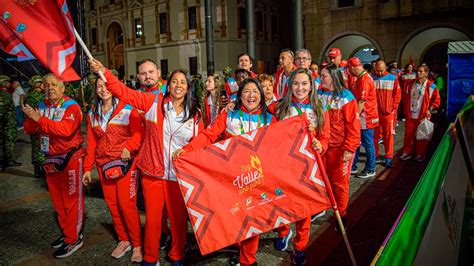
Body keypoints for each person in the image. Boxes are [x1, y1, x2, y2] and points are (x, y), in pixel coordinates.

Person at [89, 59, 203, 266]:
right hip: (153, 173)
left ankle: (176, 254)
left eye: (182, 82)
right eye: (174, 82)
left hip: (178, 175)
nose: (178, 86)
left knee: (178, 220)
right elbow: (125, 93)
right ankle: (150, 258)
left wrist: (189, 151)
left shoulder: (195, 114)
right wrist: (104, 72)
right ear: (168, 85)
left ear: (188, 87)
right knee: (152, 219)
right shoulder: (153, 103)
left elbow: (201, 142)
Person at [173, 78, 275, 266]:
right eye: (246, 92)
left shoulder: (270, 118)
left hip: (256, 177)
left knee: (253, 219)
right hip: (231, 177)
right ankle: (240, 247)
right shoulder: (228, 114)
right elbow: (209, 134)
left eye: (255, 92)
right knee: (234, 216)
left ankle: (248, 260)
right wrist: (188, 150)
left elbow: (278, 145)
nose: (251, 96)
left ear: (261, 95)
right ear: (239, 95)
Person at [22, 73, 86, 258]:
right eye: (46, 85)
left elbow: (65, 131)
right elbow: (29, 129)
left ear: (62, 87)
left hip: (71, 159)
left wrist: (38, 118)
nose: (50, 88)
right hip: (51, 159)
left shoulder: (71, 106)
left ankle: (74, 238)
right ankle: (68, 234)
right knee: (58, 202)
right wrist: (30, 117)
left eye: (54, 85)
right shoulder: (41, 105)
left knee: (72, 201)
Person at [82, 77, 145, 262]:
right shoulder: (93, 112)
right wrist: (87, 168)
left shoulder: (127, 107)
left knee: (127, 205)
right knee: (113, 206)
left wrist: (130, 147)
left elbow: (139, 133)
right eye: (99, 87)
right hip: (104, 165)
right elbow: (92, 141)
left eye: (106, 85)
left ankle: (137, 244)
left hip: (126, 164)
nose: (103, 89)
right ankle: (123, 239)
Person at [273, 68, 330, 265]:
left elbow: (325, 137)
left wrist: (320, 145)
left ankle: (300, 246)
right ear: (290, 86)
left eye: (304, 83)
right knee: (281, 203)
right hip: (284, 166)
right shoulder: (280, 108)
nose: (300, 88)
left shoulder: (319, 108)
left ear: (311, 86)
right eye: (296, 83)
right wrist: (230, 106)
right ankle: (283, 232)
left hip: (308, 168)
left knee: (304, 210)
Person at [318, 63, 360, 229]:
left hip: (340, 149)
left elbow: (353, 126)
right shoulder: (318, 94)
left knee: (340, 184)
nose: (320, 79)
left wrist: (350, 148)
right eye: (320, 76)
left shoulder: (346, 97)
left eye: (324, 76)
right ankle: (325, 207)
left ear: (333, 77)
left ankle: (341, 215)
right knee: (322, 181)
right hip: (323, 147)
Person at [400, 65, 440, 162]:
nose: (418, 73)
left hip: (423, 115)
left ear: (426, 73)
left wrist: (430, 109)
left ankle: (420, 154)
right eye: (417, 71)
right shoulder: (410, 83)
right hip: (411, 114)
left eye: (421, 71)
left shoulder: (432, 86)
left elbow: (437, 100)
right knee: (408, 135)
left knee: (422, 136)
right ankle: (407, 152)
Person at [347, 57, 379, 178]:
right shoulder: (361, 78)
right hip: (364, 116)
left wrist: (354, 117)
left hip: (366, 117)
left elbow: (361, 101)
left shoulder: (364, 80)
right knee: (357, 142)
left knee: (367, 143)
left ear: (352, 67)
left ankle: (371, 168)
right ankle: (354, 166)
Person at [372, 60, 401, 168]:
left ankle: (389, 157)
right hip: (374, 113)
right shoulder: (371, 78)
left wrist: (392, 107)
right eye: (377, 71)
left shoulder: (393, 78)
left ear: (386, 69)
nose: (379, 73)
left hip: (387, 113)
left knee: (388, 135)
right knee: (374, 135)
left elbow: (397, 95)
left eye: (381, 71)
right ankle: (375, 155)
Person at [24, 75, 45, 178]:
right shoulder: (39, 96)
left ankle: (37, 170)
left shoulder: (29, 95)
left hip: (32, 125)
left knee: (35, 147)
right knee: (40, 146)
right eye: (42, 83)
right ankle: (41, 169)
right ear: (37, 85)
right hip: (38, 125)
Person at [0, 76, 19, 172]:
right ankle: (7, 161)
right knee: (8, 142)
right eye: (7, 82)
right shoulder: (4, 95)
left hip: (7, 123)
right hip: (7, 124)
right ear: (3, 83)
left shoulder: (5, 94)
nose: (9, 83)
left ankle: (5, 161)